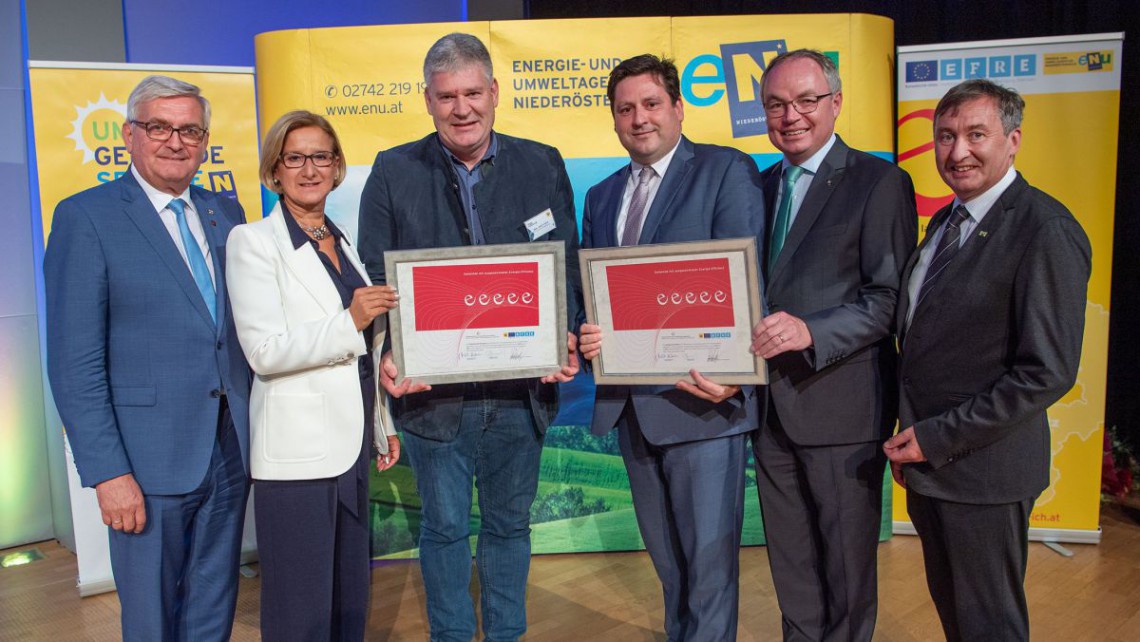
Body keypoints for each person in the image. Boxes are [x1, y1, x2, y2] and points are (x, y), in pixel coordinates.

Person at [356, 32, 582, 642]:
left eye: (473, 93)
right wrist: (390, 347)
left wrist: (563, 332)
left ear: (495, 92)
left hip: (520, 393)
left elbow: (565, 262)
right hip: (434, 397)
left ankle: (507, 635)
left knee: (509, 528)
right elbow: (375, 273)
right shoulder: (394, 170)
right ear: (427, 100)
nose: (462, 109)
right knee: (445, 530)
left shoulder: (542, 162)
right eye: (447, 96)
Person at [44, 75, 251, 641]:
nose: (175, 141)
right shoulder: (87, 217)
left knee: (213, 606)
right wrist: (108, 473)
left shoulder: (226, 213)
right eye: (159, 127)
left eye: (190, 130)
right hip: (146, 462)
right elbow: (74, 364)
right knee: (152, 618)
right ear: (129, 134)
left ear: (204, 141)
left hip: (229, 449)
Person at [884, 79, 1091, 641]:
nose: (958, 152)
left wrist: (936, 438)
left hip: (984, 473)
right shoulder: (944, 223)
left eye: (976, 135)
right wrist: (916, 437)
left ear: (1013, 140)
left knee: (989, 626)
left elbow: (1046, 371)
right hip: (933, 466)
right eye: (945, 136)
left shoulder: (1045, 229)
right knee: (960, 620)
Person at [577, 53, 764, 642]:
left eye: (652, 104)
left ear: (679, 108)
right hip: (632, 408)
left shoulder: (724, 170)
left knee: (708, 574)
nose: (639, 118)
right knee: (671, 572)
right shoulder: (601, 196)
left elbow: (748, 280)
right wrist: (586, 330)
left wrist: (737, 373)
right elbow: (592, 296)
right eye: (625, 109)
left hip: (703, 403)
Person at [749, 49, 918, 641]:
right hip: (769, 410)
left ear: (836, 103)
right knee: (791, 565)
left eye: (806, 100)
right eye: (776, 104)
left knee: (846, 571)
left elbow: (889, 299)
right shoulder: (760, 186)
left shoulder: (879, 182)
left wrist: (812, 331)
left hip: (842, 410)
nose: (790, 115)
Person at [225, 110, 401, 641]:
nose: (309, 170)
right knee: (299, 611)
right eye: (295, 158)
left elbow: (365, 354)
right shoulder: (252, 241)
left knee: (348, 601)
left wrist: (381, 424)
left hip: (350, 447)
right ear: (274, 170)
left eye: (320, 157)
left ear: (337, 165)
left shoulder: (341, 241)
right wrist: (350, 319)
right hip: (297, 456)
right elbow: (264, 351)